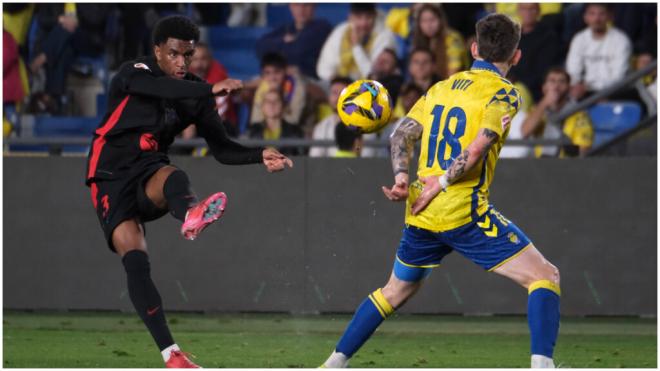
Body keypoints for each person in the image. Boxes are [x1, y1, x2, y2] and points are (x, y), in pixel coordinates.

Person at [322, 14, 561, 369]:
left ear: (474, 48)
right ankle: (543, 367)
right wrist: (443, 182)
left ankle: (333, 363)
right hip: (462, 210)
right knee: (545, 276)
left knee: (394, 292)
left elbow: (401, 134)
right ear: (516, 57)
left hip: (420, 210)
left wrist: (403, 176)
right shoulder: (503, 93)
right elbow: (479, 147)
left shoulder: (440, 88)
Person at [84, 16, 293, 368]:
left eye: (189, 55)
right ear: (157, 51)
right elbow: (165, 90)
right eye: (174, 54)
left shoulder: (196, 92)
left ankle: (192, 214)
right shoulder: (133, 73)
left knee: (173, 176)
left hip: (149, 170)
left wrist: (260, 154)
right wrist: (210, 89)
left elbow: (222, 148)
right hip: (109, 174)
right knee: (136, 261)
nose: (182, 63)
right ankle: (172, 356)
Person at [522, 67, 594, 157]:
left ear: (569, 87)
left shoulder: (579, 114)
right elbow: (525, 132)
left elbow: (584, 151)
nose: (556, 86)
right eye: (552, 81)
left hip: (566, 166)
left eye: (561, 81)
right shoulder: (536, 110)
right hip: (538, 165)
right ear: (544, 87)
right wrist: (544, 103)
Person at [565, 3, 632, 100]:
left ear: (610, 17)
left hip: (616, 92)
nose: (597, 19)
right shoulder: (579, 39)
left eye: (602, 14)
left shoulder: (621, 40)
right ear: (585, 18)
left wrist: (588, 86)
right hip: (585, 91)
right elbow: (572, 71)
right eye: (592, 14)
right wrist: (577, 86)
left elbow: (618, 78)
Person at [316, 3, 396, 81]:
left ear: (375, 16)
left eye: (368, 17)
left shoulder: (385, 36)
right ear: (350, 17)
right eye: (359, 17)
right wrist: (338, 82)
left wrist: (356, 47)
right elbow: (323, 69)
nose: (363, 23)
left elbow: (373, 76)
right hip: (338, 85)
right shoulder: (341, 30)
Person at [255, 3, 332, 80]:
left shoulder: (322, 28)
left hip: (311, 81)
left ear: (314, 6)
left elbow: (298, 50)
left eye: (306, 5)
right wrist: (282, 41)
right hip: (280, 77)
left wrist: (279, 47)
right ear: (291, 7)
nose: (301, 10)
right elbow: (260, 46)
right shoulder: (287, 28)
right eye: (297, 5)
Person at [510, 3, 563, 102]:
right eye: (524, 9)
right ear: (518, 12)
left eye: (532, 9)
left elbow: (543, 70)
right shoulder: (513, 36)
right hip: (512, 86)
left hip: (535, 91)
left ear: (538, 12)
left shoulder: (548, 36)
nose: (528, 13)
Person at [249, 52, 308, 129]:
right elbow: (256, 121)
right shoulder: (262, 89)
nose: (272, 78)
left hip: (294, 131)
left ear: (285, 71)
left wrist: (276, 109)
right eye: (267, 73)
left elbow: (294, 120)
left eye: (277, 72)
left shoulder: (297, 87)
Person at [411, 4, 468, 80]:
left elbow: (454, 72)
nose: (429, 25)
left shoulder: (453, 38)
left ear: (441, 20)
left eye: (432, 20)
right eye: (424, 21)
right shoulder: (419, 41)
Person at [248, 89, 304, 156]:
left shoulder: (295, 131)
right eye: (267, 101)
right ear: (262, 106)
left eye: (276, 101)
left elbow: (301, 157)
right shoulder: (252, 130)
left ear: (283, 105)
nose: (272, 104)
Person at [309, 76, 352, 158]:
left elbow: (367, 156)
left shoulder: (364, 124)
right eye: (334, 93)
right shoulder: (321, 127)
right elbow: (315, 159)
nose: (338, 98)